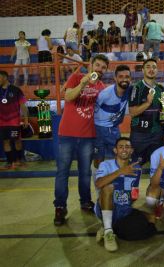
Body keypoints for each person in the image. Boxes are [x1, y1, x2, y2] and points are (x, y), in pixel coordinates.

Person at [53, 54, 110, 226]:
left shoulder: (103, 87)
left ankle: (85, 201)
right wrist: (84, 82)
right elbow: (69, 97)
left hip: (88, 136)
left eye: (103, 67)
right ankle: (60, 207)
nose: (99, 69)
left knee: (85, 172)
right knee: (62, 171)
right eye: (97, 65)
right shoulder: (76, 77)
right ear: (90, 65)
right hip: (67, 134)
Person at [94, 137, 156, 252]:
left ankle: (109, 226)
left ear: (131, 151)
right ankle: (108, 231)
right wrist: (120, 172)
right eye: (121, 147)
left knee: (152, 219)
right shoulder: (105, 164)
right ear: (115, 150)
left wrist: (130, 200)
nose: (124, 149)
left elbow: (134, 193)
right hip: (106, 206)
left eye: (127, 147)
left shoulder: (136, 168)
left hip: (125, 210)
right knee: (108, 187)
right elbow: (98, 184)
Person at [94, 64, 131, 169]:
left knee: (120, 158)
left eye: (127, 77)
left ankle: (117, 183)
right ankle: (99, 183)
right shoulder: (105, 94)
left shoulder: (130, 90)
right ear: (115, 78)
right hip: (99, 129)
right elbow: (93, 109)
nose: (124, 79)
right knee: (98, 161)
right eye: (121, 77)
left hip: (114, 129)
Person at [129, 58, 164, 164]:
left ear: (157, 70)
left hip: (157, 134)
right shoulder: (136, 88)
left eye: (154, 67)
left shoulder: (161, 89)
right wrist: (147, 103)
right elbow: (132, 112)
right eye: (148, 67)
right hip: (139, 135)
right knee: (136, 166)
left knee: (158, 166)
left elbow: (163, 110)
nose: (151, 69)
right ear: (143, 70)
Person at [0, 70, 29, 170]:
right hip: (1, 122)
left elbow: (23, 106)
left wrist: (26, 119)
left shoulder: (16, 90)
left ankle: (19, 161)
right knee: (6, 142)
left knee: (17, 141)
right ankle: (9, 162)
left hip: (14, 121)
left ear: (5, 77)